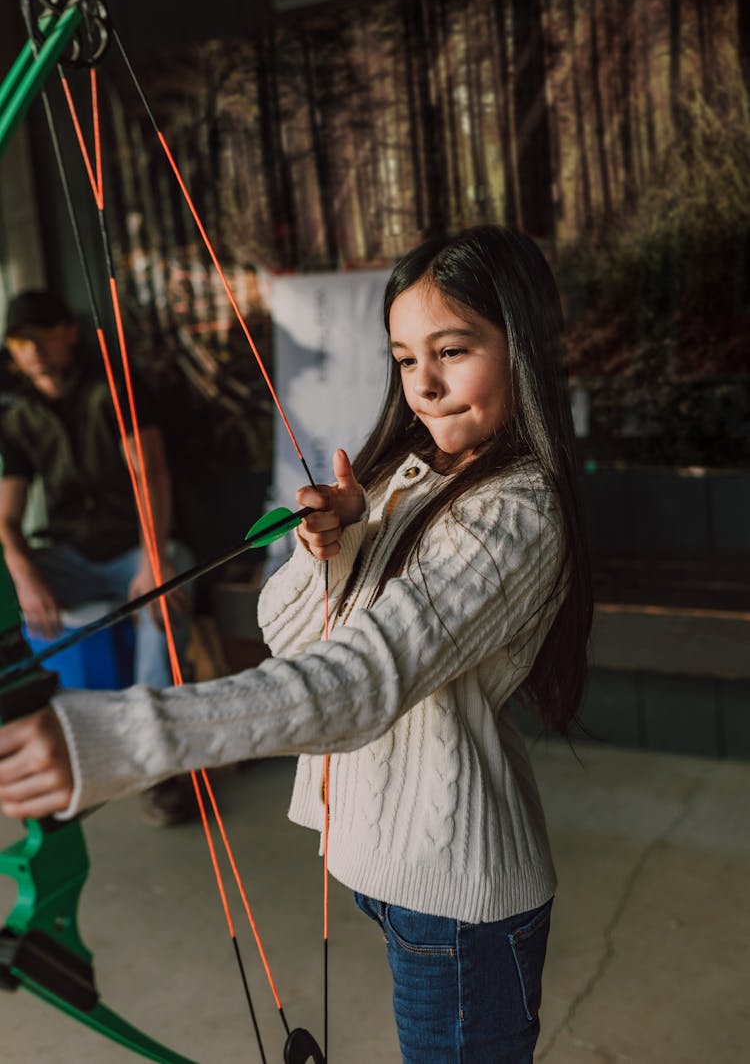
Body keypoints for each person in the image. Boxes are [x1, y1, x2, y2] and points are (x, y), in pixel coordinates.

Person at [0, 227, 592, 1062]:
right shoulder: (412, 475)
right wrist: (334, 548)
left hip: (459, 894)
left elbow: (358, 677)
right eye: (404, 357)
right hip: (397, 869)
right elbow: (287, 628)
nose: (423, 385)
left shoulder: (515, 511)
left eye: (452, 350)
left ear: (520, 343)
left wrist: (122, 738)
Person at [0, 289, 195, 828]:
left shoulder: (115, 388)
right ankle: (34, 737)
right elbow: (7, 522)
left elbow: (150, 473)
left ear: (68, 332)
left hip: (134, 546)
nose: (32, 351)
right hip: (71, 555)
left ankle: (157, 763)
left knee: (166, 590)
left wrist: (150, 561)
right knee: (4, 585)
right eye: (20, 342)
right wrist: (23, 575)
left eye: (41, 336)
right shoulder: (18, 420)